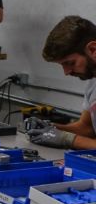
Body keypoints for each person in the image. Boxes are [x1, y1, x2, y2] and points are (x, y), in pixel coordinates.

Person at [27, 15, 96, 149]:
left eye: (70, 63)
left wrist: (68, 139)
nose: (67, 72)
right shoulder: (92, 79)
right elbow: (87, 127)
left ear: (93, 49)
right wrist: (52, 129)